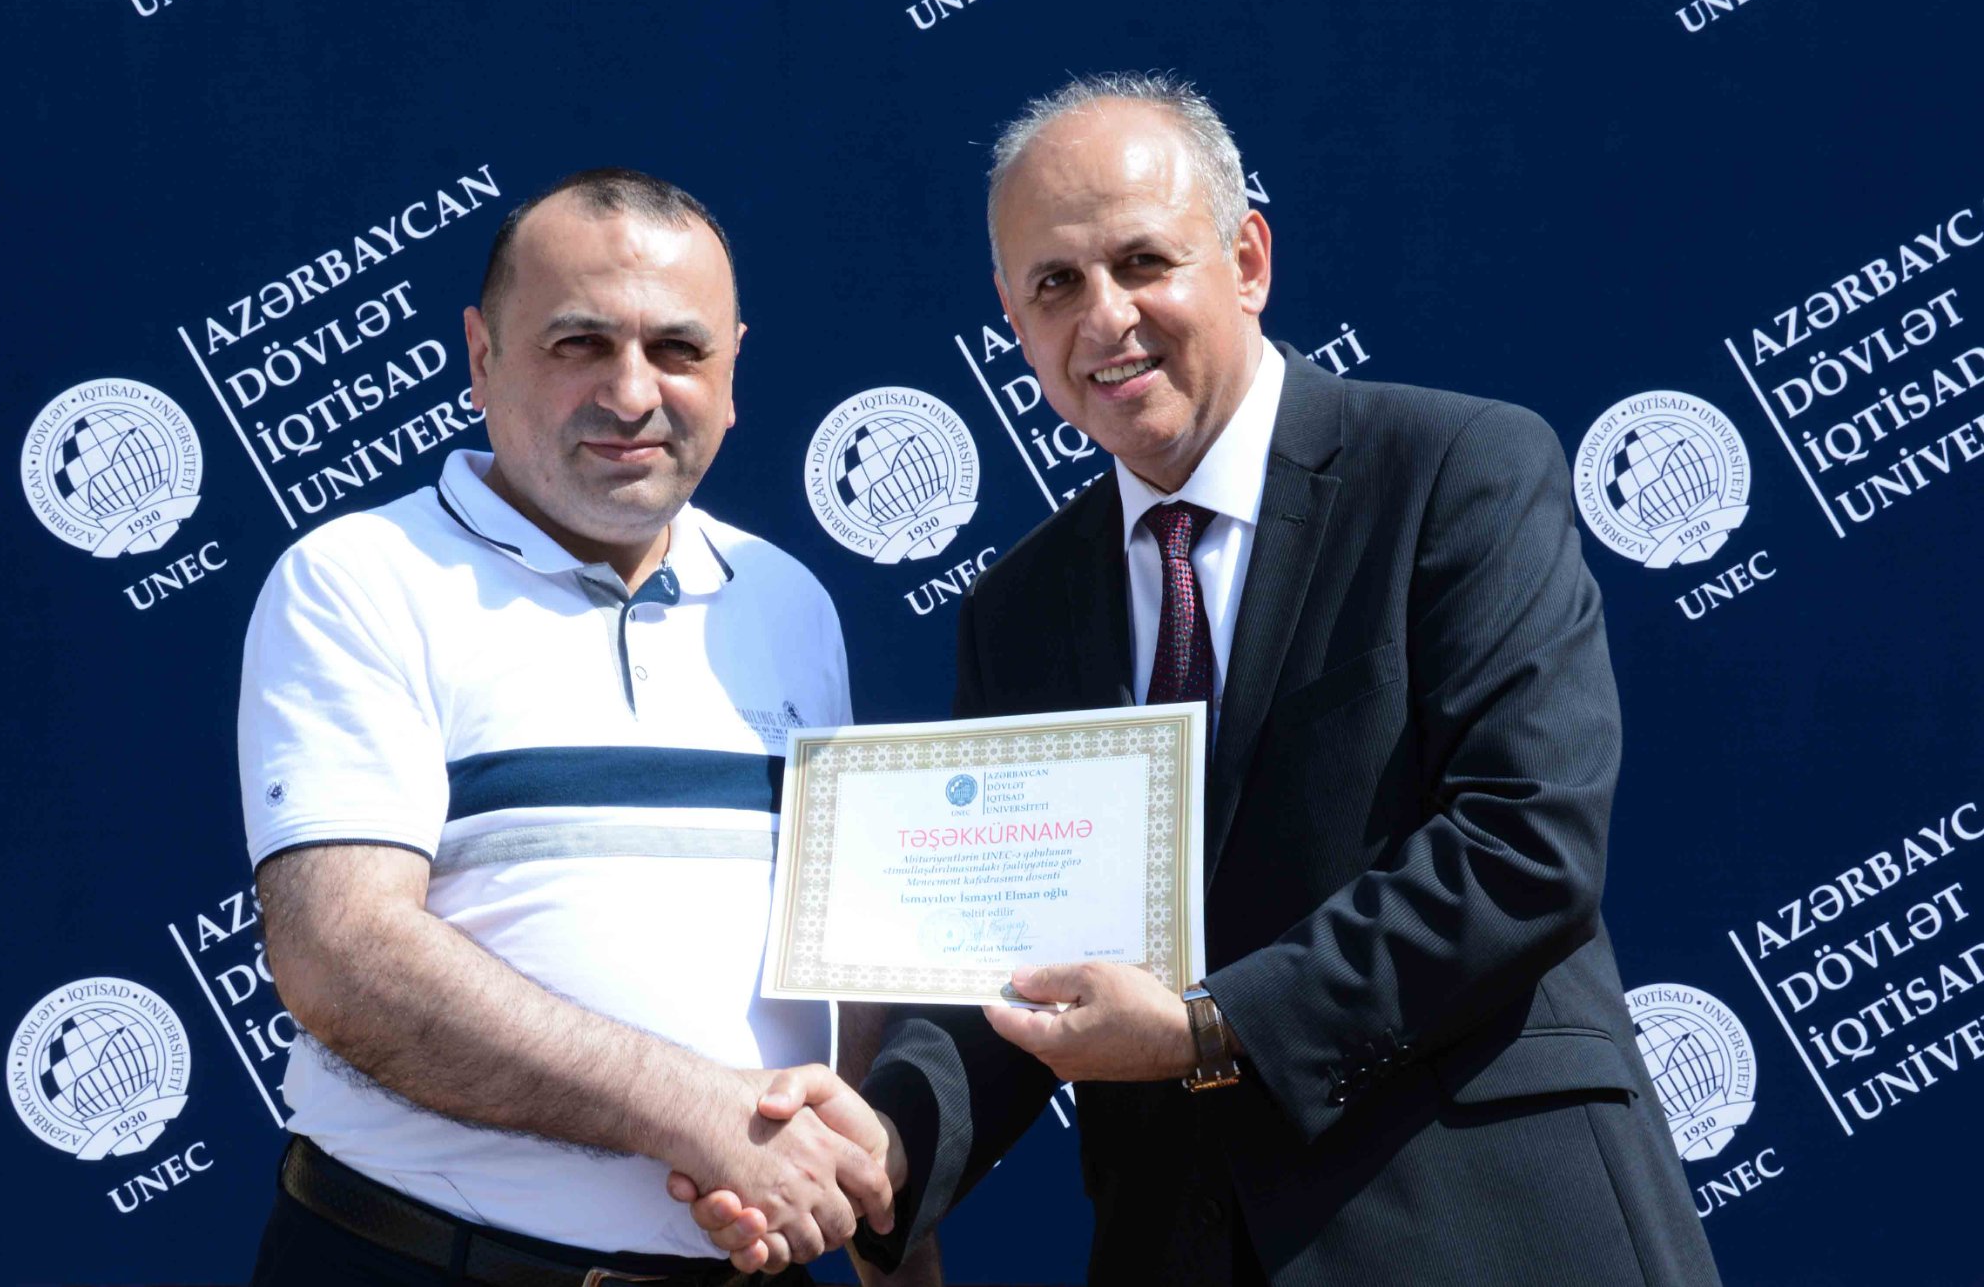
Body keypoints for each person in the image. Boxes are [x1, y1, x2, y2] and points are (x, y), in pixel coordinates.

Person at [678, 75, 1722, 1285]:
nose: (1103, 318)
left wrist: (1207, 1030)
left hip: (1489, 1229)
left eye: (1142, 262)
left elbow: (1523, 845)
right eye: (1053, 285)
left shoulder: (1454, 470)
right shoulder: (1016, 613)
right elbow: (999, 965)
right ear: (1012, 323)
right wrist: (882, 1148)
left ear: (1245, 260)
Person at [238, 167, 902, 1287]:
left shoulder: (792, 604)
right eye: (579, 343)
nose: (631, 394)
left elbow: (853, 974)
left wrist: (885, 1238)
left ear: (732, 372)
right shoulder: (358, 578)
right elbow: (342, 956)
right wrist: (697, 1112)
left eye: (678, 349)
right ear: (481, 356)